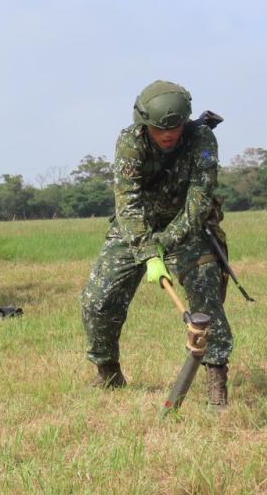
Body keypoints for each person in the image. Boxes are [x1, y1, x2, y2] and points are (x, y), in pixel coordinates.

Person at [81, 80, 232, 408]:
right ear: (144, 123)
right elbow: (128, 204)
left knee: (206, 295)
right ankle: (108, 372)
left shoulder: (202, 140)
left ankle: (216, 381)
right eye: (160, 129)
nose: (168, 135)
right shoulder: (130, 143)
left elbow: (200, 199)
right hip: (134, 228)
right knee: (98, 299)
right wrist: (148, 251)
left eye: (175, 127)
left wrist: (167, 240)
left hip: (187, 226)